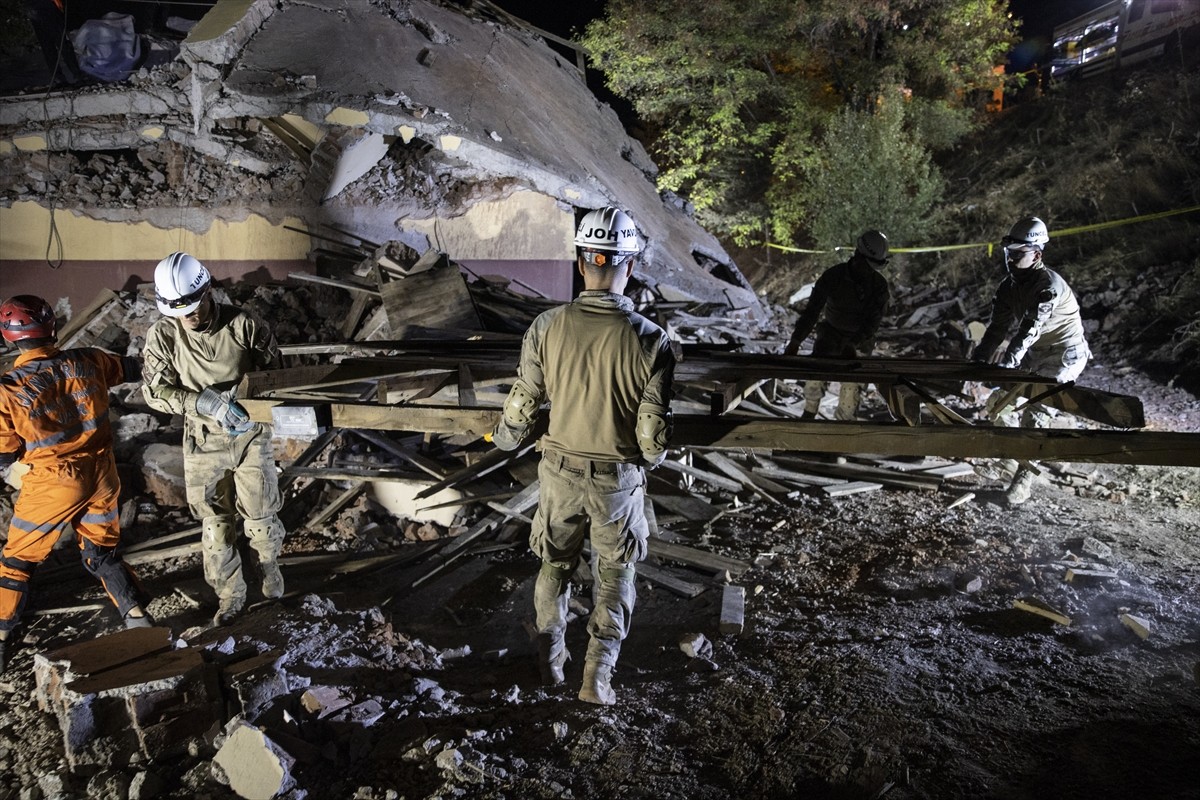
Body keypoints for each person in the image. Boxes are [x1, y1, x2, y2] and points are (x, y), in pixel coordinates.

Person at [491, 206, 675, 706]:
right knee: (615, 574)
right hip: (616, 485)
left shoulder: (546, 327)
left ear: (580, 262)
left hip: (559, 478)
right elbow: (653, 442)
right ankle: (597, 678)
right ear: (630, 267)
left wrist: (501, 438)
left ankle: (551, 662)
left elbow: (521, 410)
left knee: (553, 568)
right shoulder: (652, 340)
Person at [0, 295, 151, 674]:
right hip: (103, 474)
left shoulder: (8, 389)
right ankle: (138, 620)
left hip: (53, 483)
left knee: (16, 561)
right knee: (101, 553)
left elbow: (5, 455)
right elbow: (133, 368)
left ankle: (1, 638)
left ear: (9, 337)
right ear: (52, 326)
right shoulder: (88, 359)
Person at [141, 253, 286, 625]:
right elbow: (155, 392)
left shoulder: (245, 325)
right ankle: (230, 596)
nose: (189, 316)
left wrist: (247, 398)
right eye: (180, 310)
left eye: (195, 305)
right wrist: (201, 402)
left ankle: (269, 572)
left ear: (209, 291)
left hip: (251, 434)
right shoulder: (163, 335)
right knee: (216, 524)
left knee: (261, 514)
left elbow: (278, 374)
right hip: (204, 439)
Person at [971, 216, 1091, 505]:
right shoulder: (1008, 286)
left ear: (1036, 254)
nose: (1010, 260)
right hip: (1038, 354)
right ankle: (1016, 463)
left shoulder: (1049, 286)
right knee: (996, 405)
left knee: (1035, 415)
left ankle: (1022, 484)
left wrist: (1008, 364)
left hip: (1064, 356)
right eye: (1008, 254)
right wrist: (978, 361)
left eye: (1017, 254)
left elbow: (1029, 330)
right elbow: (996, 328)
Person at [783, 230, 892, 420]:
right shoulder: (833, 276)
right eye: (868, 266)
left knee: (851, 393)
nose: (869, 271)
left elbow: (872, 323)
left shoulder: (878, 286)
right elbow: (812, 311)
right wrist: (796, 340)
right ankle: (808, 418)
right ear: (858, 256)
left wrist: (854, 343)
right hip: (830, 335)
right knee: (814, 381)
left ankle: (843, 432)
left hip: (860, 341)